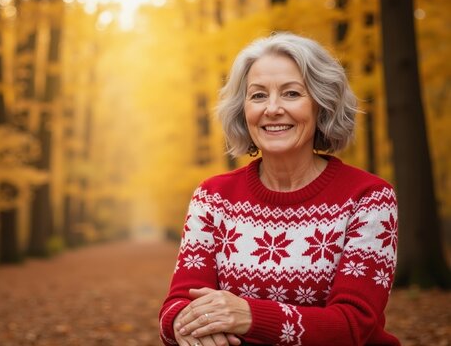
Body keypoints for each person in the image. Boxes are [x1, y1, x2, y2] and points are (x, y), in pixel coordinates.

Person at [159, 32, 399, 346]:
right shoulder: (213, 197)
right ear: (243, 110)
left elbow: (352, 326)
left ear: (321, 104)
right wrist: (179, 324)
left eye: (291, 93)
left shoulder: (368, 198)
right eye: (258, 96)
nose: (272, 108)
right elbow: (178, 302)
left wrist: (249, 317)